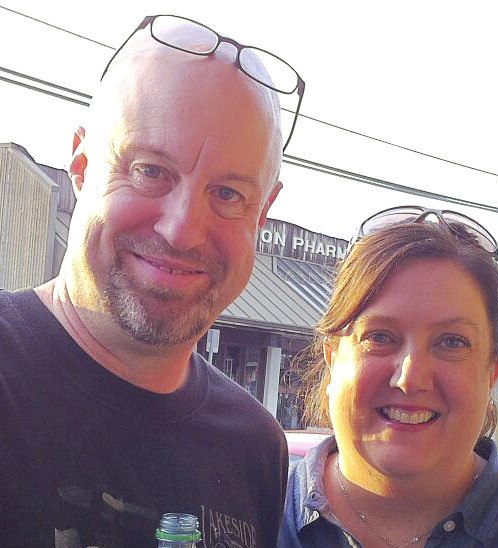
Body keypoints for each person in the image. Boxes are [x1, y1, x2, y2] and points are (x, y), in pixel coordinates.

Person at [0, 14, 304, 548]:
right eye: (150, 170)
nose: (183, 230)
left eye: (229, 194)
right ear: (82, 163)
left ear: (263, 214)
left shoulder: (255, 449)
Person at [278, 206, 498, 547]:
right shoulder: (246, 517)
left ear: (491, 373)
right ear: (332, 357)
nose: (410, 378)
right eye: (379, 337)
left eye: (452, 342)